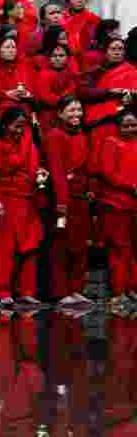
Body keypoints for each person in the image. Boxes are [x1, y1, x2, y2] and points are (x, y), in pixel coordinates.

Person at [0, 107, 46, 306]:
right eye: (16, 126)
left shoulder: (28, 143)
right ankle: (3, 290)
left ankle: (26, 290)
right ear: (5, 125)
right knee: (5, 248)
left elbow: (34, 166)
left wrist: (40, 174)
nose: (20, 130)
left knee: (30, 246)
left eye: (23, 126)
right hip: (7, 201)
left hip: (29, 200)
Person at [45, 96, 92, 305]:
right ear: (60, 114)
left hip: (81, 196)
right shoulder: (55, 136)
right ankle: (61, 291)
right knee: (61, 245)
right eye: (71, 111)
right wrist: (61, 204)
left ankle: (76, 288)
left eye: (79, 110)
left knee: (79, 245)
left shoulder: (82, 134)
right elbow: (57, 173)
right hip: (64, 197)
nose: (76, 115)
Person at [97, 109, 137, 305]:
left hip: (133, 204)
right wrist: (131, 186)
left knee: (131, 249)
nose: (130, 129)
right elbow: (107, 172)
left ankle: (131, 288)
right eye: (126, 125)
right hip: (116, 203)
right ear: (118, 126)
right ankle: (118, 290)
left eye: (133, 125)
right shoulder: (111, 143)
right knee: (119, 248)